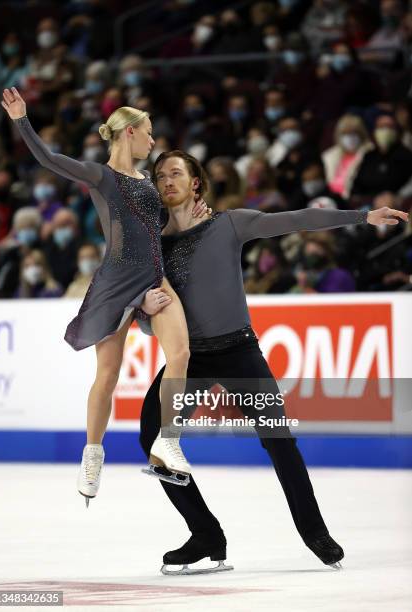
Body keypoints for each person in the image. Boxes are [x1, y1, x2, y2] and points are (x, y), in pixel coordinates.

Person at [138, 150, 408, 574]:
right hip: (189, 359)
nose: (167, 180)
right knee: (153, 437)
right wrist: (146, 311)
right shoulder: (153, 248)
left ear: (195, 183)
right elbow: (147, 325)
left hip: (240, 353)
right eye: (160, 176)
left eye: (176, 173)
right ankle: (205, 532)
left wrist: (363, 216)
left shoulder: (227, 224)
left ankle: (314, 531)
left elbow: (295, 219)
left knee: (279, 441)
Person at [1, 87, 210, 507]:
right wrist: (22, 120)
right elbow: (49, 160)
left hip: (155, 278)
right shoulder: (102, 176)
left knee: (182, 354)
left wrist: (188, 219)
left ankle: (169, 440)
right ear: (129, 132)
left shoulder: (148, 183)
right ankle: (92, 453)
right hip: (117, 284)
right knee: (108, 375)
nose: (153, 142)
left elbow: (157, 232)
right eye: (148, 133)